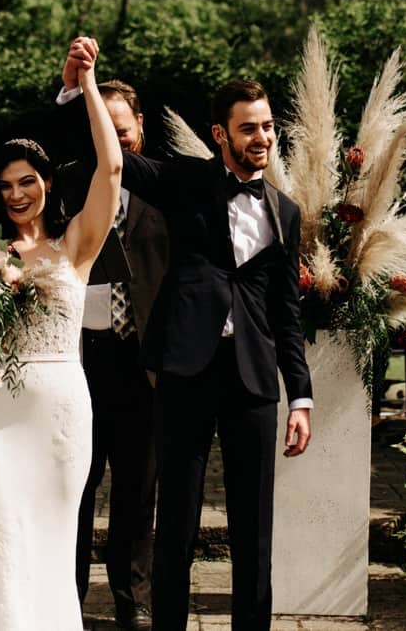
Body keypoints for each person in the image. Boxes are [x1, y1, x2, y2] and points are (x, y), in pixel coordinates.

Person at [61, 39, 313, 631]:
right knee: (175, 521)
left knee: (254, 527)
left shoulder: (286, 211)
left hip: (254, 377)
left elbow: (287, 313)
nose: (263, 138)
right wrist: (83, 88)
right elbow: (112, 160)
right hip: (184, 371)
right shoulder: (184, 183)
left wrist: (299, 395)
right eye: (249, 128)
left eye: (269, 127)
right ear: (220, 135)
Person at [0, 45, 125, 630]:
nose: (15, 194)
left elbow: (111, 169)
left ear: (46, 182)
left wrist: (85, 85)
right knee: (1, 534)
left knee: (54, 541)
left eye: (26, 181)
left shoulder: (76, 245)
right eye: (5, 185)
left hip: (61, 413)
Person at [64, 79, 169, 630]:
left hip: (142, 363)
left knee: (137, 490)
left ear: (139, 128)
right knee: (75, 489)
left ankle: (133, 600)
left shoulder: (166, 192)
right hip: (78, 363)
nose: (114, 143)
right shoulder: (66, 191)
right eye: (102, 131)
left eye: (121, 132)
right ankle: (67, 599)